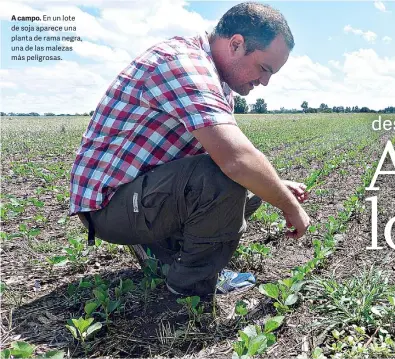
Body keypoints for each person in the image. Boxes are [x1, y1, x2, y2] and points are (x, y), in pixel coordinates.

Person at [68, 2, 311, 297]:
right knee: (222, 182)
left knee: (249, 189)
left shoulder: (217, 82)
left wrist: (275, 187)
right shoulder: (183, 63)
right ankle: (190, 290)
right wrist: (289, 206)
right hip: (107, 206)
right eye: (263, 68)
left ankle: (162, 253)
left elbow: (215, 155)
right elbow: (235, 160)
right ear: (236, 44)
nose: (265, 81)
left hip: (137, 192)